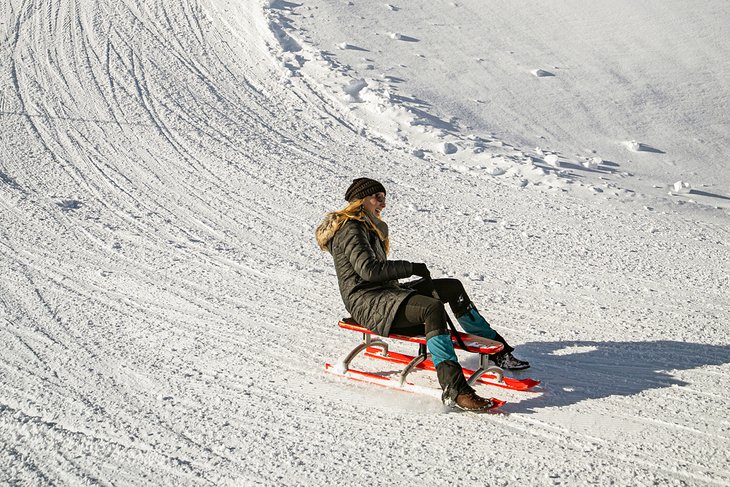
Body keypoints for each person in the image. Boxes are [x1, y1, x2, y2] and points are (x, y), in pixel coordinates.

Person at [316, 177, 529, 412]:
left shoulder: (367, 227)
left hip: (385, 295)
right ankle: (455, 389)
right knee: (431, 308)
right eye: (378, 197)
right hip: (367, 302)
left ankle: (497, 350)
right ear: (361, 200)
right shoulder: (351, 228)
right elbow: (369, 271)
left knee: (451, 287)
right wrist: (410, 267)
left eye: (384, 198)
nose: (383, 204)